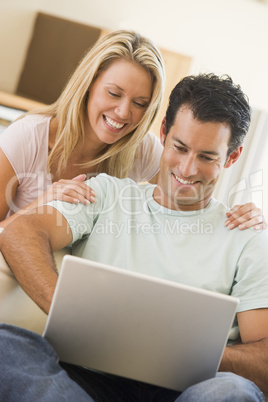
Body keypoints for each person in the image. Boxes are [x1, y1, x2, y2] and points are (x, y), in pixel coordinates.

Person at [1, 73, 268, 401]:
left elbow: (264, 360)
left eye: (207, 157)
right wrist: (70, 313)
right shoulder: (106, 193)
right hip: (82, 380)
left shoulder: (246, 238)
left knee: (234, 390)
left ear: (232, 157)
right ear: (163, 134)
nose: (186, 169)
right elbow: (19, 233)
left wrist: (191, 354)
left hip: (184, 391)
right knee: (7, 345)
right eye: (180, 147)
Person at [0, 30, 264, 231]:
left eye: (140, 104)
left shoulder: (144, 150)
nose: (124, 112)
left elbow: (188, 201)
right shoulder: (29, 136)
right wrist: (41, 205)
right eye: (114, 93)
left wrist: (241, 219)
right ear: (89, 84)